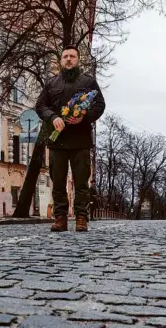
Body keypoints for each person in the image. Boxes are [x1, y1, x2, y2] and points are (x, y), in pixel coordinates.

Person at [35, 45, 106, 232]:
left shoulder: (88, 82)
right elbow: (40, 106)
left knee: (81, 182)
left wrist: (85, 117)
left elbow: (100, 104)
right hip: (57, 140)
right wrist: (53, 117)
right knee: (57, 182)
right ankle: (60, 218)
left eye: (72, 56)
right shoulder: (51, 83)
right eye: (65, 56)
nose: (68, 59)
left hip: (81, 139)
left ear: (78, 60)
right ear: (60, 60)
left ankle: (82, 217)